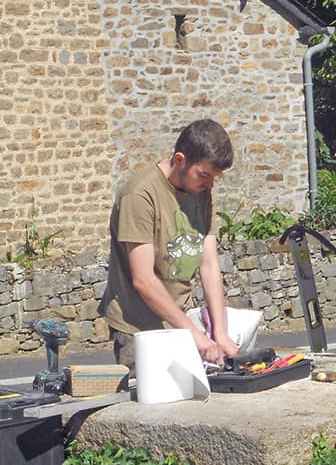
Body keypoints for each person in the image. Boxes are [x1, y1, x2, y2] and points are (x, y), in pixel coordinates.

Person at [98, 119, 240, 372]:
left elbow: (208, 265)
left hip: (181, 325)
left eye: (215, 177)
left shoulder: (202, 191)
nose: (210, 184)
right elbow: (143, 279)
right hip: (138, 332)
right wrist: (195, 335)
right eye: (205, 175)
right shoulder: (139, 195)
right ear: (179, 159)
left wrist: (220, 331)